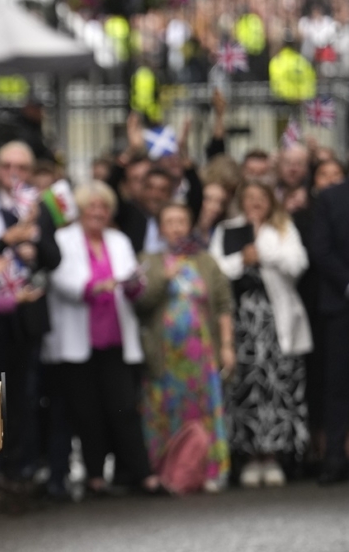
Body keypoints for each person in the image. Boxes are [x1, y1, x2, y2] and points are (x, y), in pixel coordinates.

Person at [45, 182, 158, 495]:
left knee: (123, 407)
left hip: (115, 337)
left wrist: (134, 284)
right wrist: (94, 286)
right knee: (86, 411)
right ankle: (95, 476)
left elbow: (132, 278)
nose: (98, 212)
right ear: (80, 210)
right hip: (78, 339)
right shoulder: (63, 239)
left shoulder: (118, 239)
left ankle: (142, 473)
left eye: (103, 207)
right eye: (91, 206)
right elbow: (60, 280)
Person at [210, 181, 311, 487]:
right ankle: (250, 455)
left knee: (277, 385)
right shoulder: (227, 229)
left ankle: (274, 455)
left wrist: (263, 253)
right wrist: (242, 259)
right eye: (249, 198)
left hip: (275, 320)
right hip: (240, 322)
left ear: (270, 202)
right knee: (246, 385)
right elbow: (216, 271)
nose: (254, 203)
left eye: (260, 198)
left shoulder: (282, 228)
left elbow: (297, 264)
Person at [135, 202, 235, 491]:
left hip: (201, 354)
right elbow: (141, 302)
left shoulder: (206, 261)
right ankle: (169, 472)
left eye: (181, 221)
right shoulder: (149, 260)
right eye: (170, 221)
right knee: (164, 411)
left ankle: (210, 470)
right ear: (161, 228)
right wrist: (163, 279)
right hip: (164, 355)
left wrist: (227, 345)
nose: (177, 227)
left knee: (203, 410)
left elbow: (223, 305)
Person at [307, 175, 349, 485]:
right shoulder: (330, 198)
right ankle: (334, 457)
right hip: (341, 305)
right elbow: (319, 248)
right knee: (337, 384)